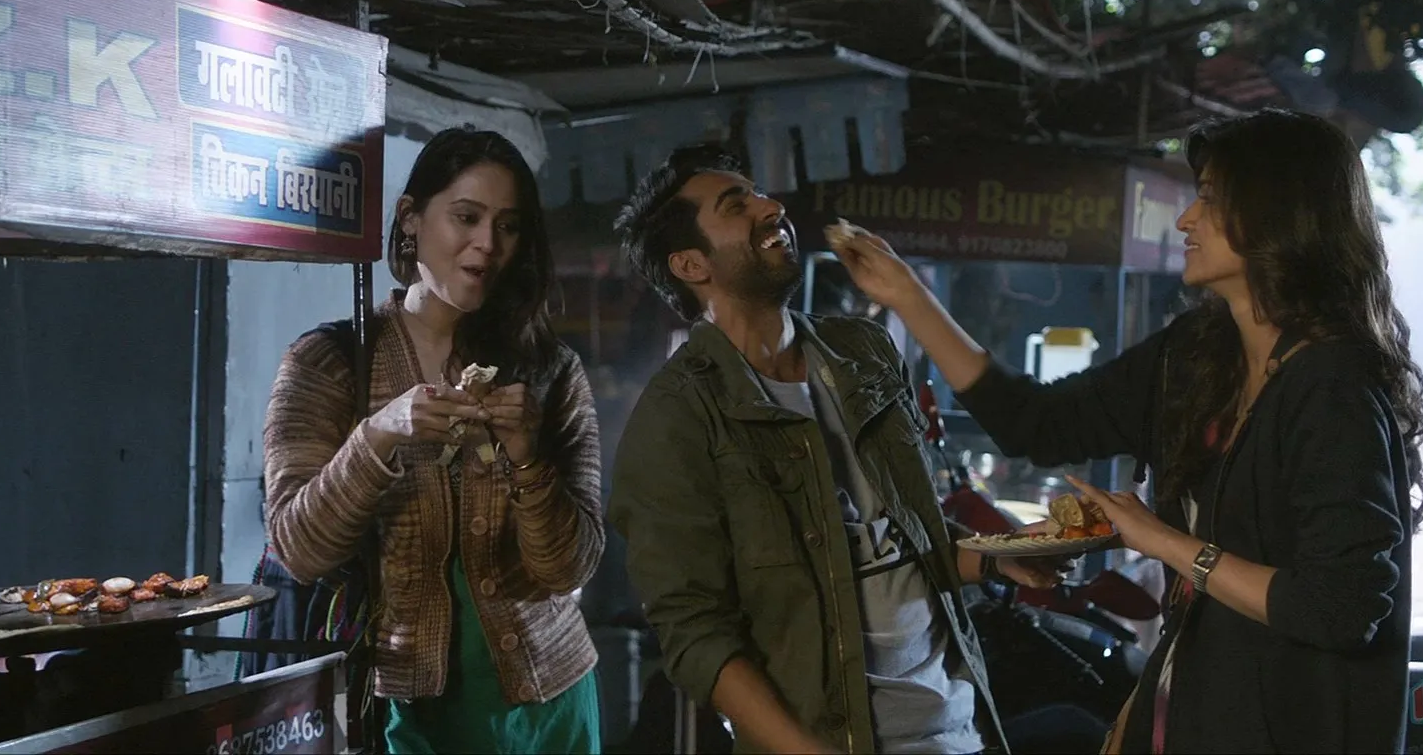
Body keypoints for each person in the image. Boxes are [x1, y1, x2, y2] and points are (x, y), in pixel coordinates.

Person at [832, 109, 1423, 754]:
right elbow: (1038, 423)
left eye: (1209, 199)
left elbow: (1338, 609)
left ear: (1279, 214)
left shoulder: (1331, 389)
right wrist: (908, 295)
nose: (1186, 219)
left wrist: (1161, 539)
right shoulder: (1196, 358)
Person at [608, 144, 1065, 755]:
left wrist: (995, 558)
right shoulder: (677, 416)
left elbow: (901, 538)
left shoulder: (864, 353)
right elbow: (694, 634)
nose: (771, 207)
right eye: (737, 206)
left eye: (760, 193)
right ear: (691, 264)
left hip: (957, 728)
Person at [262, 127, 605, 754]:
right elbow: (299, 549)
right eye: (467, 217)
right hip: (405, 703)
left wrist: (527, 458)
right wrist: (379, 434)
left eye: (508, 226)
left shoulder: (549, 371)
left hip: (549, 699)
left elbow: (571, 567)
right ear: (410, 218)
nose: (488, 243)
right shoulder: (331, 362)